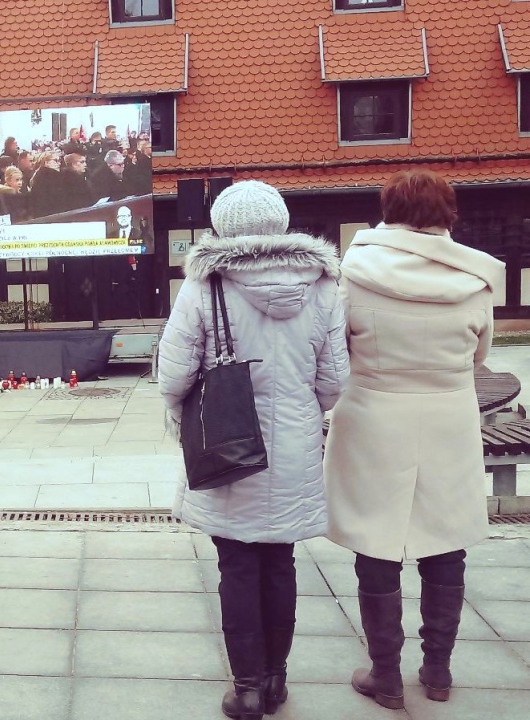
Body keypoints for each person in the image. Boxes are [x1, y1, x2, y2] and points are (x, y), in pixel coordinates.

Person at [159, 180, 349, 720]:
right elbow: (334, 381)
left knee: (237, 565)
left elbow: (173, 377)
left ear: (222, 227)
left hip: (226, 444)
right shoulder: (322, 287)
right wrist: (299, 408)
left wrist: (182, 413)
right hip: (293, 446)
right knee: (280, 562)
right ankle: (274, 680)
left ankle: (244, 688)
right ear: (281, 223)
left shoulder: (205, 286)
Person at [323, 170, 504, 710]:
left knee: (375, 541)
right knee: (445, 538)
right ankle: (439, 670)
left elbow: (338, 352)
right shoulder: (475, 280)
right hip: (448, 418)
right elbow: (480, 355)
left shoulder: (352, 273)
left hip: (373, 416)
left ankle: (385, 675)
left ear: (387, 210)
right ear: (448, 213)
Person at [28, 150, 66, 218]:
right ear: (46, 162)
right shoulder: (51, 178)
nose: (59, 163)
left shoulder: (38, 176)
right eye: (55, 160)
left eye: (59, 160)